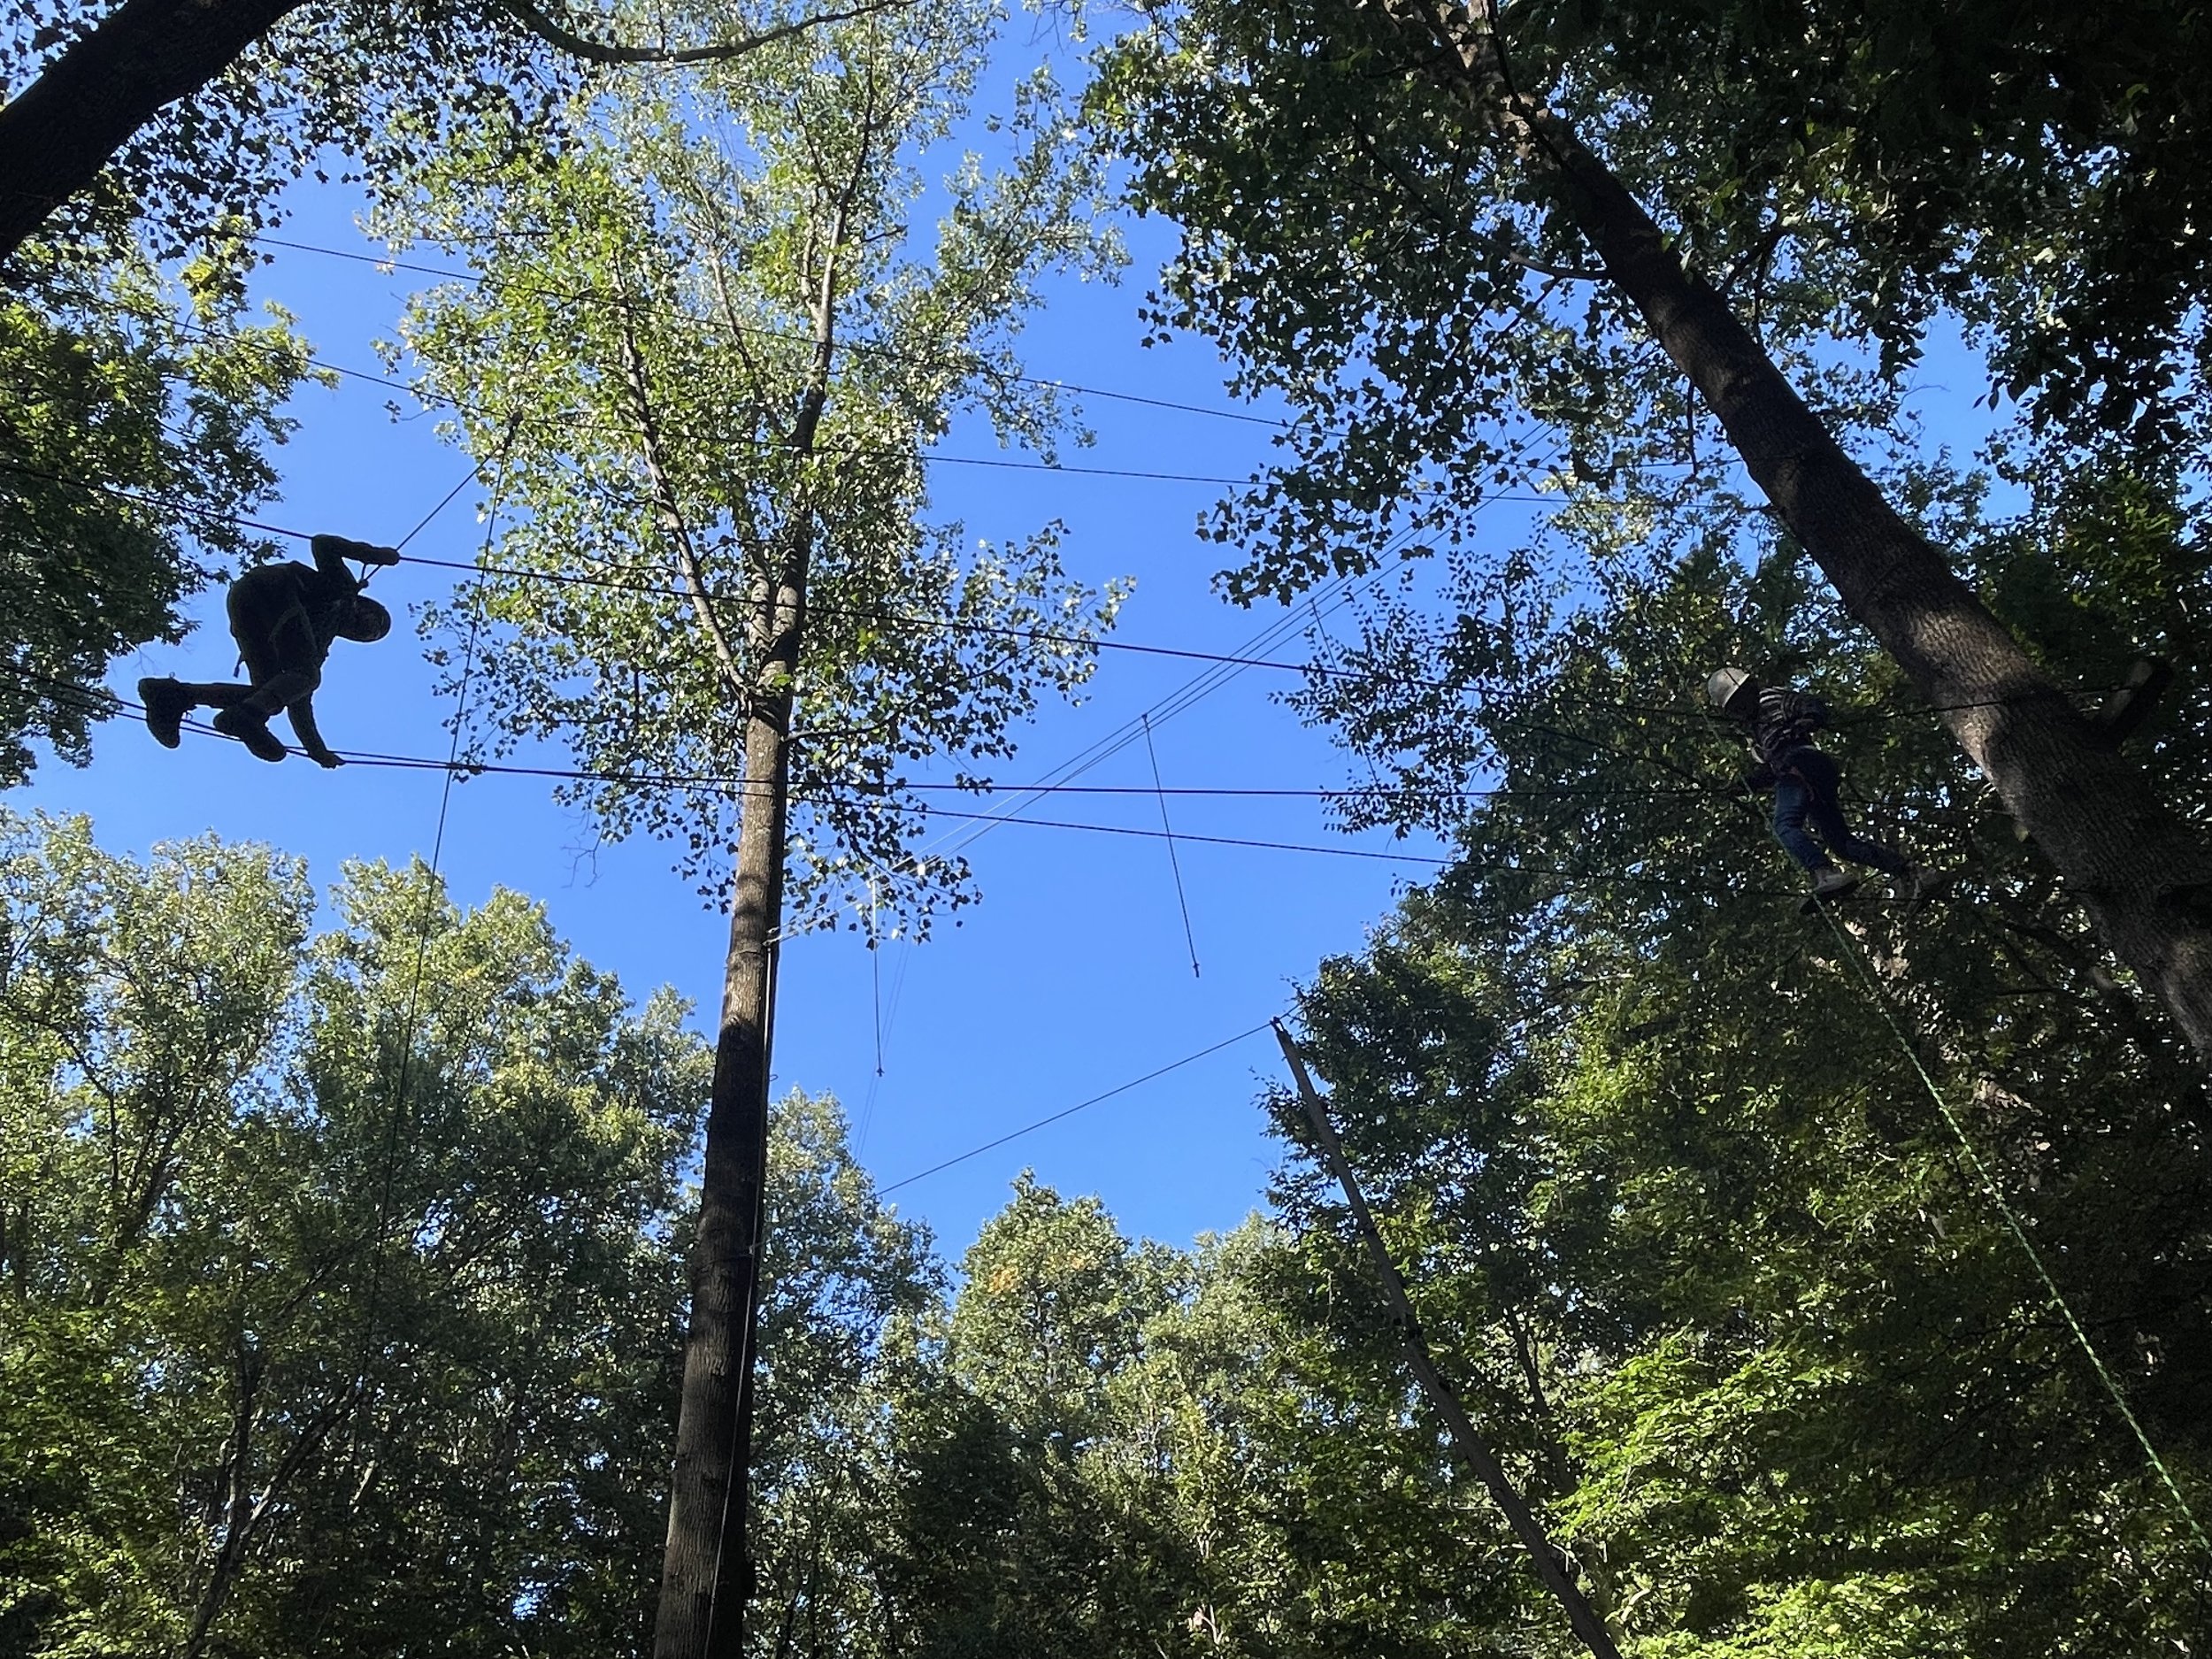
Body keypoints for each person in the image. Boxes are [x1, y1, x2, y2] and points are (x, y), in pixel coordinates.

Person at [138, 534, 399, 767]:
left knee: (271, 689)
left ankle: (175, 695)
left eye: (370, 637)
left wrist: (317, 751)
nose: (367, 632)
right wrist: (374, 555)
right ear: (366, 607)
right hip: (275, 590)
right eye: (375, 624)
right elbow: (323, 544)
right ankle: (247, 716)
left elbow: (299, 703)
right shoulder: (342, 592)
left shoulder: (318, 639)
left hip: (250, 606)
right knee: (302, 678)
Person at [1707, 666, 1946, 905]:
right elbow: (1771, 770)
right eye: (1736, 707)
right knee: (1840, 843)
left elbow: (1809, 704)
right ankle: (1913, 872)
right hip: (1802, 770)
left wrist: (1809, 719)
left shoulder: (1770, 698)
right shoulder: (1757, 733)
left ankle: (1824, 873)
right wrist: (1743, 785)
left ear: (1752, 689)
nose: (1742, 708)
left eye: (1741, 700)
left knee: (1784, 825)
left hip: (1802, 762)